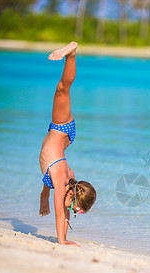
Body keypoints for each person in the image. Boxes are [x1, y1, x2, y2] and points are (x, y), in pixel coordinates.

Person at [39, 42, 96, 247]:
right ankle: (71, 53)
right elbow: (59, 214)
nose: (72, 212)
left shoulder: (70, 179)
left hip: (65, 137)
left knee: (62, 90)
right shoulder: (62, 186)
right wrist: (62, 242)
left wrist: (43, 194)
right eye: (76, 208)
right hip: (61, 129)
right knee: (62, 89)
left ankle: (71, 55)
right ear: (72, 196)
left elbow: (64, 216)